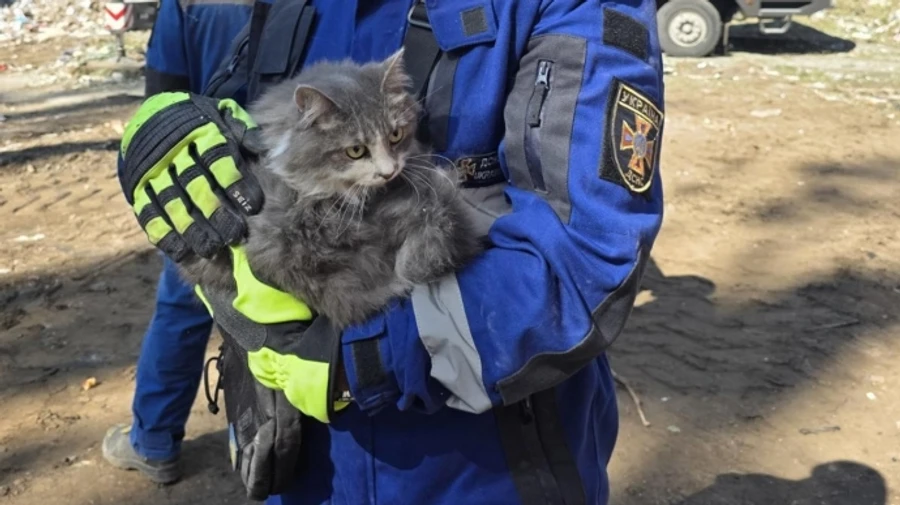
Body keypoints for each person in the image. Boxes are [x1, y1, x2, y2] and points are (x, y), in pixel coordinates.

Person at [115, 0, 666, 503]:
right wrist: (158, 131)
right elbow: (236, 144)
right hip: (300, 461)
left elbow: (585, 263)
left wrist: (363, 358)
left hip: (481, 468)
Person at [101, 0, 255, 484]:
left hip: (204, 184)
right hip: (286, 176)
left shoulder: (187, 4)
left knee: (182, 305)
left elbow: (159, 101)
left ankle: (153, 441)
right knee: (280, 312)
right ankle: (256, 439)